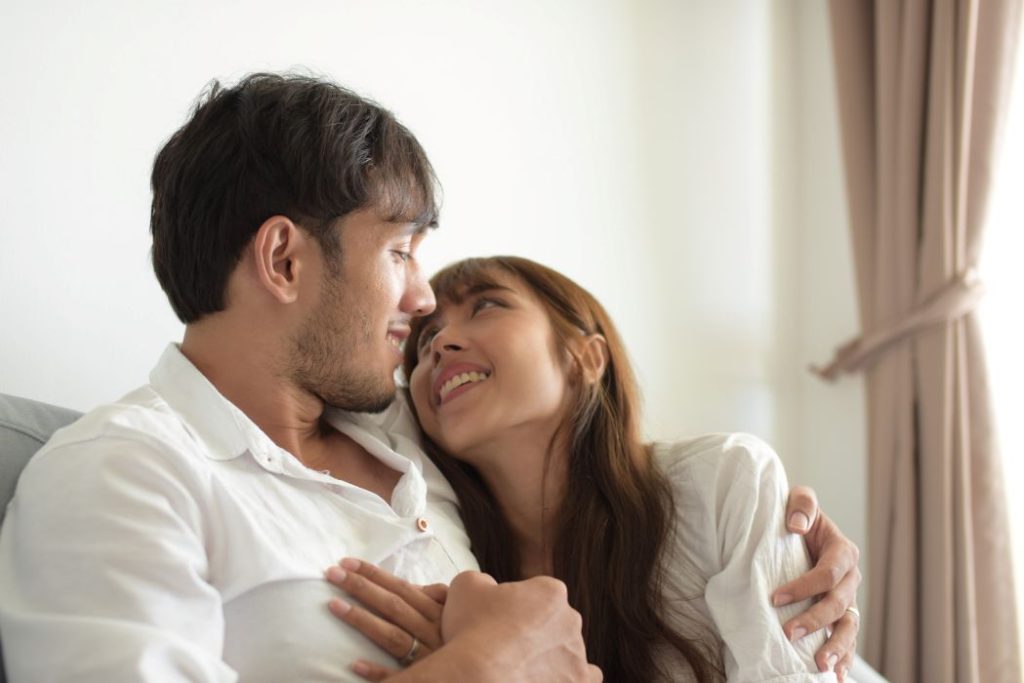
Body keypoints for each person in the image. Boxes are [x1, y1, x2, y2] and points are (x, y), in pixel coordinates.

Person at [0, 73, 855, 681]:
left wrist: (788, 535)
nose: (421, 305)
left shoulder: (414, 444)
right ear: (284, 260)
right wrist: (488, 664)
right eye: (401, 252)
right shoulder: (123, 471)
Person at [324, 256, 862, 682]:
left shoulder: (724, 482)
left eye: (486, 305)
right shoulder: (453, 568)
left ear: (586, 357)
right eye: (423, 342)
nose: (440, 343)